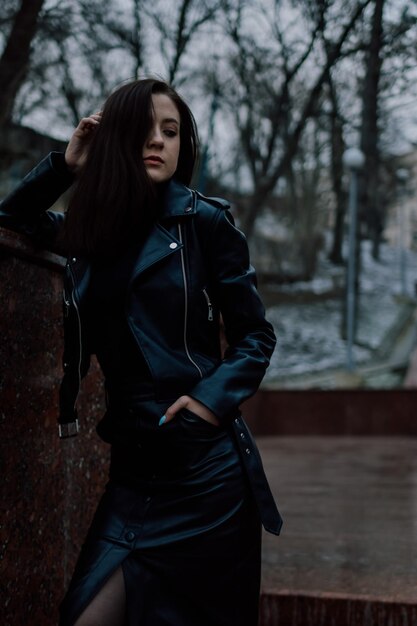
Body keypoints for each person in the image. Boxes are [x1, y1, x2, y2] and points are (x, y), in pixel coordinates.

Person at [0, 78, 282, 626]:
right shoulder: (89, 232)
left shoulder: (205, 222)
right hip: (132, 476)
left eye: (171, 131)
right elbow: (10, 221)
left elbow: (255, 336)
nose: (158, 141)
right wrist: (66, 163)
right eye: (143, 130)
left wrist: (206, 403)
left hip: (206, 476)